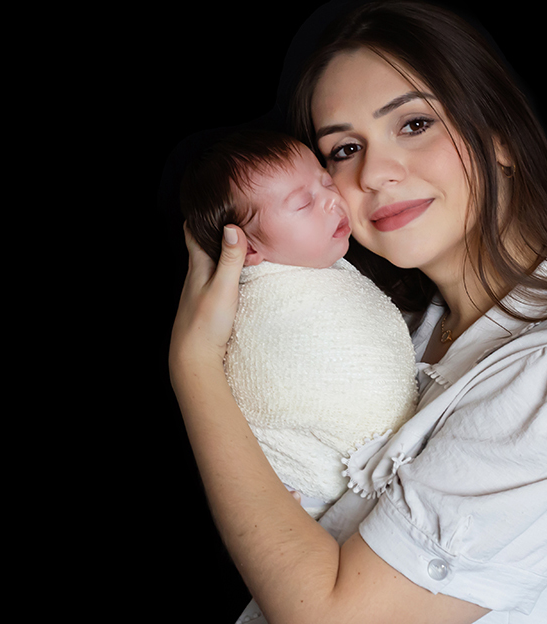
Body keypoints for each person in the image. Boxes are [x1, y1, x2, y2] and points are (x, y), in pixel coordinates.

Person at [169, 0, 547, 623]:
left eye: (413, 125)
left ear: (500, 140)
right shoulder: (405, 338)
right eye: (342, 150)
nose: (376, 174)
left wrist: (194, 367)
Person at [178, 128, 418, 518]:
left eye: (326, 182)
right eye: (304, 203)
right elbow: (271, 392)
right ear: (248, 248)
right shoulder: (264, 308)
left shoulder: (325, 268)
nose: (332, 201)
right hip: (311, 500)